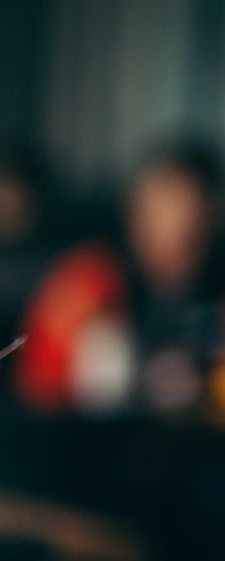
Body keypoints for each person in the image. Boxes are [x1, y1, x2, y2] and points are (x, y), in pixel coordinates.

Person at [17, 140, 224, 418]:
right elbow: (38, 390)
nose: (176, 229)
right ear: (134, 214)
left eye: (189, 211)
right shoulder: (85, 284)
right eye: (160, 211)